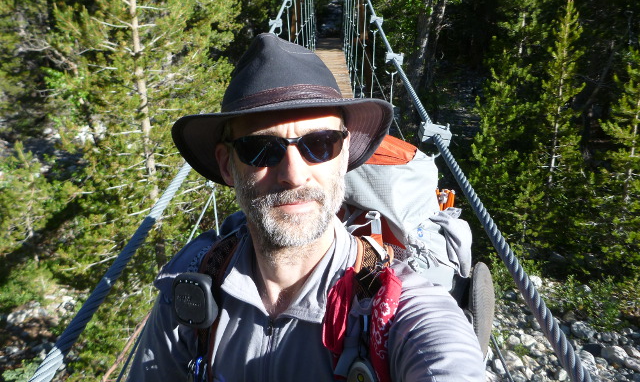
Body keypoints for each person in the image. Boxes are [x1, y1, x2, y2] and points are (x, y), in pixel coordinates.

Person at [127, 33, 485, 381]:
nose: (294, 175)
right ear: (226, 165)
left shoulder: (397, 305)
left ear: (344, 155)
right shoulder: (190, 288)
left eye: (321, 143)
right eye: (261, 149)